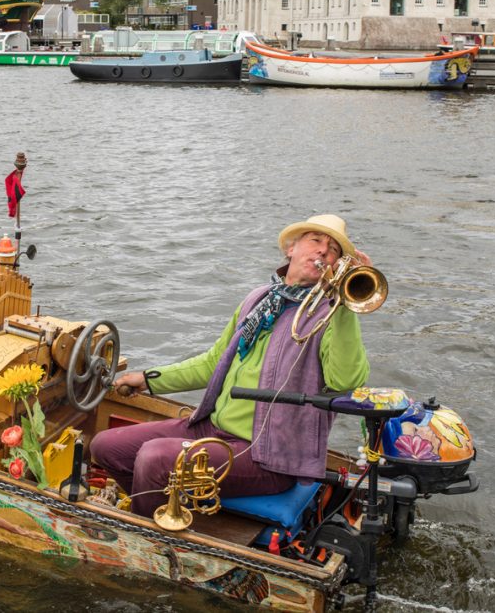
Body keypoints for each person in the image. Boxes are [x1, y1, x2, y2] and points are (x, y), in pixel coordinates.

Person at [89, 214, 372, 517]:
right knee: (106, 446)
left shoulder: (329, 316)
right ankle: (166, 511)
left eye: (332, 250)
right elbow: (213, 363)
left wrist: (344, 303)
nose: (323, 252)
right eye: (316, 240)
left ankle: (150, 537)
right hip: (213, 429)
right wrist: (146, 379)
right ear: (291, 249)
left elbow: (345, 381)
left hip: (269, 456)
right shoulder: (259, 300)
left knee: (155, 458)